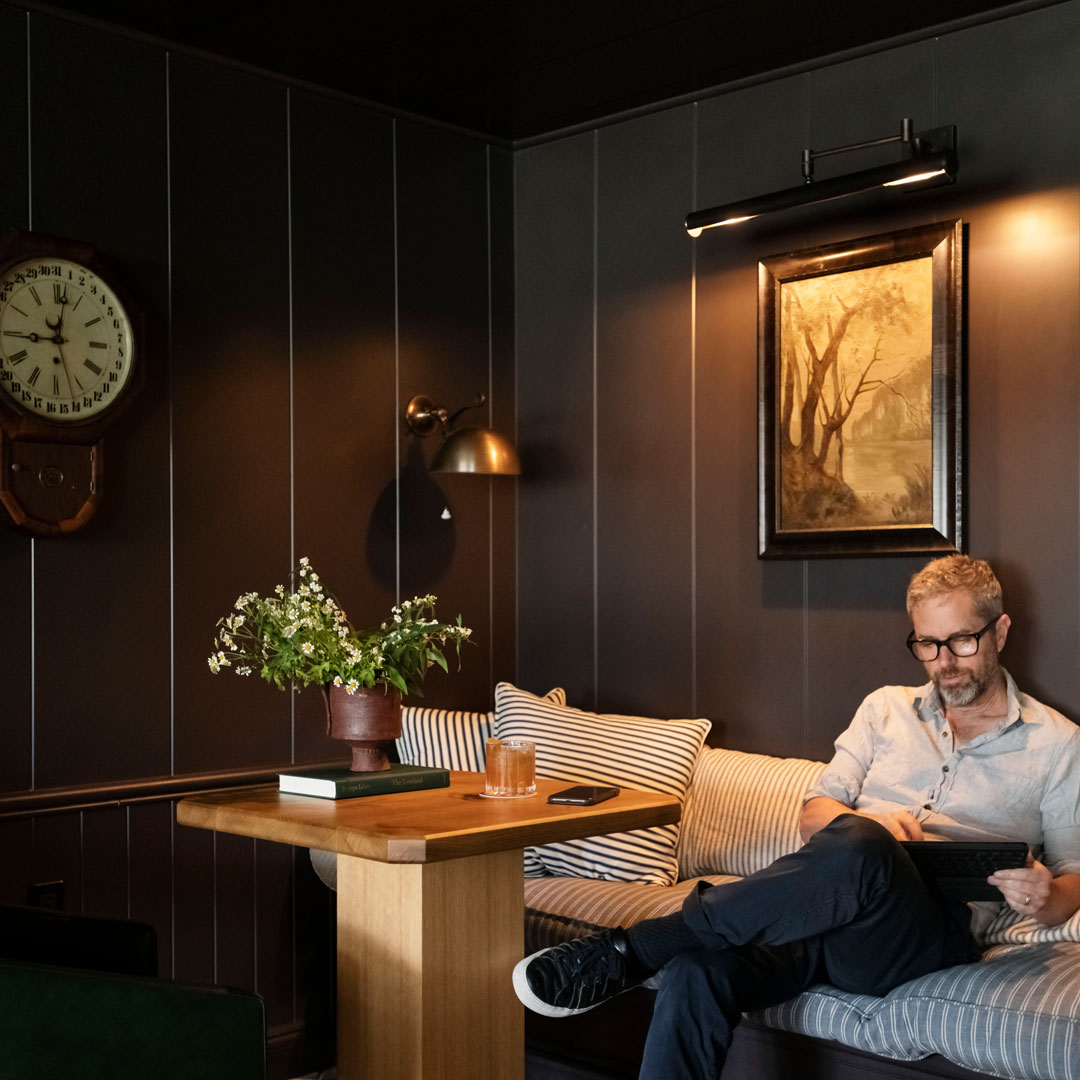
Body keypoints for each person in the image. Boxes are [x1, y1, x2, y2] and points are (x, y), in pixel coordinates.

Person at [512, 554, 1080, 1079]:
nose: (943, 663)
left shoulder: (1057, 744)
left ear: (1000, 631)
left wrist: (1046, 896)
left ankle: (635, 948)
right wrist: (876, 829)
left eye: (960, 642)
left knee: (862, 845)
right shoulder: (884, 709)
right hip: (821, 910)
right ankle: (662, 948)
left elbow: (1072, 876)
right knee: (695, 971)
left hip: (921, 934)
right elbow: (814, 815)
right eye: (927, 645)